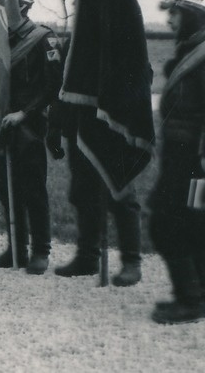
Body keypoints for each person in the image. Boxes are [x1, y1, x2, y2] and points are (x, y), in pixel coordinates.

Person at [149, 0, 205, 324]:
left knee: (165, 223)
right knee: (194, 221)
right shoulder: (192, 50)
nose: (169, 19)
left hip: (194, 156)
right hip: (183, 154)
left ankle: (190, 299)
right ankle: (201, 297)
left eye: (176, 13)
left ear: (193, 17)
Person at [49, 32, 145, 287]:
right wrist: (55, 126)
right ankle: (87, 256)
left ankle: (131, 262)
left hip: (111, 133)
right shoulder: (74, 40)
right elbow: (61, 85)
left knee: (121, 194)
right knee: (83, 193)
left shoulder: (124, 35)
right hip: (79, 130)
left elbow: (141, 78)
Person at [0, 0, 62, 274]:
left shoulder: (44, 39)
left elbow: (53, 86)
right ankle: (17, 248)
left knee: (33, 190)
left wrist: (25, 113)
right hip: (3, 125)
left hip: (31, 126)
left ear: (25, 8)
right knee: (5, 188)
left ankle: (41, 250)